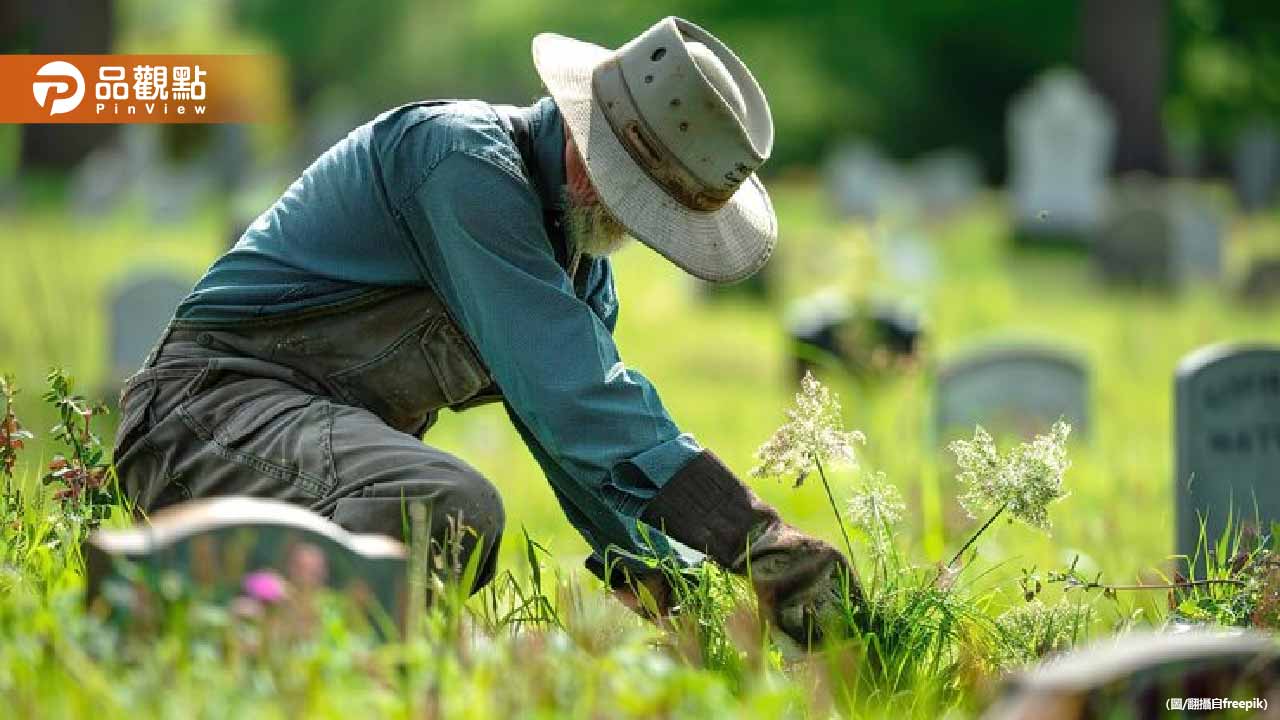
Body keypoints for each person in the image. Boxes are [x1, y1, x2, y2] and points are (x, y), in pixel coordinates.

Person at [113, 16, 857, 644]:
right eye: (646, 204)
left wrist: (681, 599)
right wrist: (753, 539)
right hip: (202, 417)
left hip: (307, 442)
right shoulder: (459, 161)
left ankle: (339, 663)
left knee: (438, 509)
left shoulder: (576, 262)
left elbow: (588, 454)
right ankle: (268, 655)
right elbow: (578, 400)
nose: (639, 230)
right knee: (441, 502)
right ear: (601, 164)